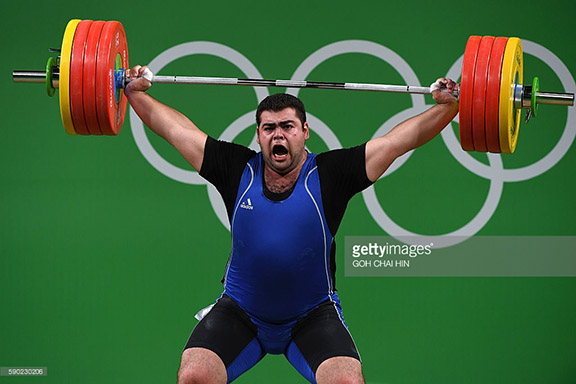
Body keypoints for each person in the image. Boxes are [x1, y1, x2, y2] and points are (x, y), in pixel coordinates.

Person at [125, 65, 459, 384]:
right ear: (258, 135)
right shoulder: (236, 169)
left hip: (311, 316)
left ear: (304, 131)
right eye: (269, 128)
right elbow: (175, 130)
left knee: (346, 380)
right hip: (241, 312)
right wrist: (135, 93)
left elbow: (399, 141)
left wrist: (447, 109)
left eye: (287, 126)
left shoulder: (331, 174)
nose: (278, 135)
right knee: (194, 376)